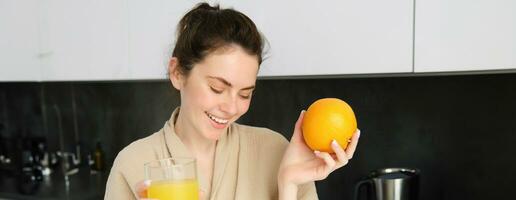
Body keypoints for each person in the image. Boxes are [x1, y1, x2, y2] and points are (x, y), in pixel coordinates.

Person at [104, 3, 360, 200]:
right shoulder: (133, 164)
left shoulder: (274, 151)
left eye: (245, 94)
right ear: (177, 73)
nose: (231, 107)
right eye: (217, 88)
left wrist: (289, 184)